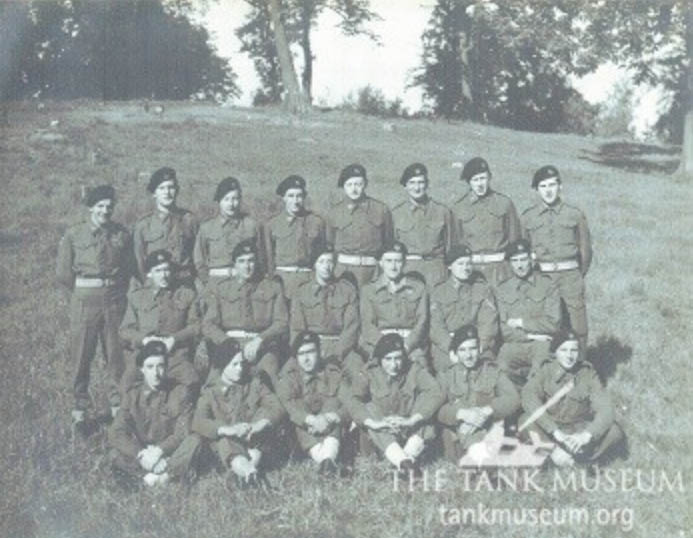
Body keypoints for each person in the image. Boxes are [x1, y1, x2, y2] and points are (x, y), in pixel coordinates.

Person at [56, 185, 134, 425]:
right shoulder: (74, 234)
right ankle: (80, 410)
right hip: (85, 301)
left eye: (109, 206)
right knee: (81, 355)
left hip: (113, 301)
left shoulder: (121, 233)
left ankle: (117, 407)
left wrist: (114, 290)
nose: (105, 210)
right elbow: (63, 273)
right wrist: (84, 290)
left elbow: (129, 267)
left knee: (115, 355)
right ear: (90, 208)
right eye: (100, 206)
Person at [343, 334, 443, 473]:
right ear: (379, 359)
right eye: (388, 359)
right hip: (383, 433)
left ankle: (403, 460)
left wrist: (411, 420)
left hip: (408, 429)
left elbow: (435, 391)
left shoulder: (413, 369)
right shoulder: (369, 372)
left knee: (427, 415)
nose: (394, 365)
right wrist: (374, 423)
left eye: (398, 358)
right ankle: (405, 462)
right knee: (369, 407)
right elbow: (353, 399)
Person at [521, 331, 624, 467]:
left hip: (577, 429)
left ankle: (577, 459)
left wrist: (586, 435)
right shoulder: (545, 370)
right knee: (524, 421)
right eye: (564, 350)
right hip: (551, 428)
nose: (569, 356)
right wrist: (554, 431)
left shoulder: (587, 374)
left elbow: (606, 408)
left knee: (615, 431)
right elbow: (529, 396)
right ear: (555, 351)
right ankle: (556, 453)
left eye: (573, 350)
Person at [192, 338, 285, 487]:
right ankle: (251, 473)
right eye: (234, 364)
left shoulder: (254, 383)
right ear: (222, 366)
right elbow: (199, 421)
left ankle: (243, 475)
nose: (240, 369)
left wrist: (260, 424)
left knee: (262, 418)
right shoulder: (210, 392)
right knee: (226, 441)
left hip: (252, 439)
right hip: (228, 444)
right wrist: (228, 430)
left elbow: (276, 407)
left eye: (241, 363)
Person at [108, 341, 201, 487]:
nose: (156, 373)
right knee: (115, 453)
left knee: (195, 441)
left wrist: (159, 451)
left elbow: (182, 433)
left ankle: (160, 476)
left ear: (166, 368)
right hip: (145, 451)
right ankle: (162, 475)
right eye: (150, 367)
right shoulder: (132, 395)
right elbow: (116, 431)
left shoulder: (180, 393)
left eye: (161, 366)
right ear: (142, 369)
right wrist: (141, 455)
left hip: (170, 450)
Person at [522, 165, 592, 350]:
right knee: (546, 324)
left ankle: (580, 369)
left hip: (570, 277)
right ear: (536, 190)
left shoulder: (574, 214)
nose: (548, 190)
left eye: (552, 185)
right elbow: (523, 250)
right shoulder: (528, 218)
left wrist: (577, 275)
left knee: (577, 325)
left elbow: (585, 251)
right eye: (543, 186)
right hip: (543, 278)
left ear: (560, 186)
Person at [202, 239, 288, 388]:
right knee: (214, 384)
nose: (247, 266)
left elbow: (282, 322)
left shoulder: (273, 287)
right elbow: (208, 324)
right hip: (229, 345)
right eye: (241, 261)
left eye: (251, 261)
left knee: (269, 379)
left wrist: (260, 339)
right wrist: (226, 342)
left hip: (263, 346)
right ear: (234, 264)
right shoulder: (222, 289)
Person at [119, 249, 201, 395]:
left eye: (166, 270)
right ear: (149, 274)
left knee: (192, 382)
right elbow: (125, 330)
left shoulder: (186, 294)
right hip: (144, 356)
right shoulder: (137, 296)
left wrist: (174, 339)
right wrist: (144, 339)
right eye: (158, 271)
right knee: (127, 385)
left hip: (175, 355)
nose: (164, 275)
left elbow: (196, 326)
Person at [436, 325, 519, 462]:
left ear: (480, 349)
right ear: (455, 353)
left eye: (472, 349)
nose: (468, 355)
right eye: (462, 350)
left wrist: (488, 410)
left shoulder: (492, 371)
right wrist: (461, 414)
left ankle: (481, 459)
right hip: (459, 431)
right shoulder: (446, 376)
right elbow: (437, 408)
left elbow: (513, 398)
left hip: (485, 428)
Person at [290, 242, 363, 380]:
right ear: (314, 264)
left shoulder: (347, 291)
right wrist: (308, 352)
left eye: (330, 261)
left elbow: (351, 328)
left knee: (357, 370)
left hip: (341, 348)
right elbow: (296, 328)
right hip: (309, 347)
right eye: (321, 261)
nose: (326, 266)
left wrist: (337, 353)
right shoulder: (302, 292)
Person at [276, 331, 346, 474]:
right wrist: (312, 420)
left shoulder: (331, 372)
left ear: (320, 352)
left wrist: (331, 417)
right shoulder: (289, 376)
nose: (306, 359)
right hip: (303, 429)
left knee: (333, 405)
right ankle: (327, 460)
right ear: (296, 357)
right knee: (299, 412)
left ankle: (327, 462)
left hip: (329, 424)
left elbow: (347, 401)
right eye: (301, 354)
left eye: (310, 352)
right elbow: (289, 406)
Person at [495, 239, 561, 388]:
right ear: (510, 264)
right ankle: (516, 401)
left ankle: (534, 401)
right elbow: (504, 329)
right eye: (515, 261)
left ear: (531, 259)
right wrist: (530, 335)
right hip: (516, 343)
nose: (519, 265)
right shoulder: (503, 289)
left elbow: (554, 323)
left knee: (539, 370)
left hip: (542, 344)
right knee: (501, 367)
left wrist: (521, 323)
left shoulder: (547, 285)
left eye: (523, 259)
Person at [430, 244, 499, 373]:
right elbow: (436, 327)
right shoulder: (438, 292)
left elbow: (489, 323)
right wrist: (452, 348)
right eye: (460, 264)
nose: (465, 268)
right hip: (448, 347)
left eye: (468, 263)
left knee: (486, 371)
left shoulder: (482, 289)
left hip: (477, 345)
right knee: (448, 373)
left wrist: (480, 347)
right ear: (450, 266)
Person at [360, 241, 430, 368]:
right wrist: (386, 346)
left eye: (397, 261)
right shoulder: (369, 290)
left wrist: (408, 344)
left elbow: (422, 321)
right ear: (380, 263)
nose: (393, 266)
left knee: (422, 370)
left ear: (404, 263)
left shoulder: (418, 288)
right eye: (388, 261)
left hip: (410, 345)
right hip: (380, 345)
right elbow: (367, 325)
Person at [452, 157, 521, 286]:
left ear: (489, 177)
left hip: (501, 270)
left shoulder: (504, 203)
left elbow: (514, 240)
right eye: (475, 180)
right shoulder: (459, 208)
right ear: (469, 182)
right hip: (472, 270)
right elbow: (455, 243)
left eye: (483, 178)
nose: (480, 184)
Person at [327, 163, 394, 287]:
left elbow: (388, 241)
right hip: (343, 271)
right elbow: (328, 244)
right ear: (343, 187)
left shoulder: (381, 209)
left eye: (358, 184)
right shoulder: (334, 212)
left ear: (366, 184)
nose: (354, 189)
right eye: (349, 185)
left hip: (372, 271)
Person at [264, 174, 326, 304]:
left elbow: (323, 255)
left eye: (299, 196)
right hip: (282, 280)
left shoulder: (316, 222)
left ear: (304, 197)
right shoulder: (273, 224)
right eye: (291, 196)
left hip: (308, 278)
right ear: (284, 198)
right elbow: (268, 258)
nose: (296, 200)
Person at [391, 163, 456, 287]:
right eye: (412, 183)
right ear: (405, 186)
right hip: (408, 272)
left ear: (427, 184)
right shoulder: (396, 214)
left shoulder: (442, 212)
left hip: (437, 272)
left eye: (420, 182)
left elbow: (450, 247)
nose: (417, 188)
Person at [194, 177, 264, 287]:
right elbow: (199, 260)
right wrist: (208, 283)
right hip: (217, 283)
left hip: (246, 282)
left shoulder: (251, 225)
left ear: (240, 200)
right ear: (219, 201)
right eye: (226, 199)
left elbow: (260, 255)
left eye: (235, 199)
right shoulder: (207, 228)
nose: (231, 204)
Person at [133, 167, 198, 285]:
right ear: (154, 193)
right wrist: (148, 285)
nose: (167, 192)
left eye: (171, 187)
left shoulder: (189, 220)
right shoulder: (143, 225)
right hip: (157, 285)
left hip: (184, 285)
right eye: (161, 188)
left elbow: (198, 258)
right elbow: (139, 262)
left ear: (177, 190)